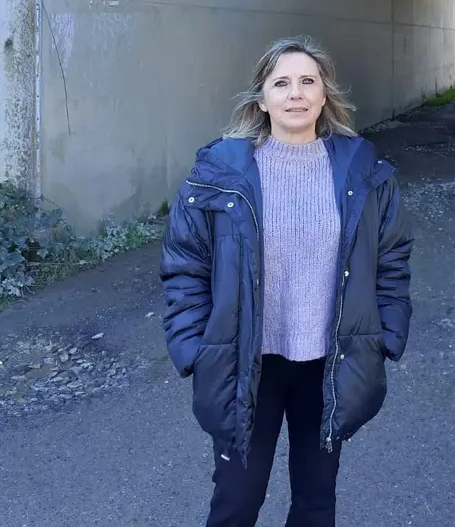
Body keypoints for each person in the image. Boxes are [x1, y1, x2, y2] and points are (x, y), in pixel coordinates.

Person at [160, 36, 414, 527]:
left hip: (328, 362)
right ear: (262, 99)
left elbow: (392, 259)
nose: (295, 92)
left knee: (316, 502)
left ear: (324, 95)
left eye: (307, 81)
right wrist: (192, 347)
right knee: (237, 501)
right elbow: (185, 264)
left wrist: (385, 336)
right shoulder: (218, 176)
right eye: (281, 82)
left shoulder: (365, 174)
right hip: (246, 362)